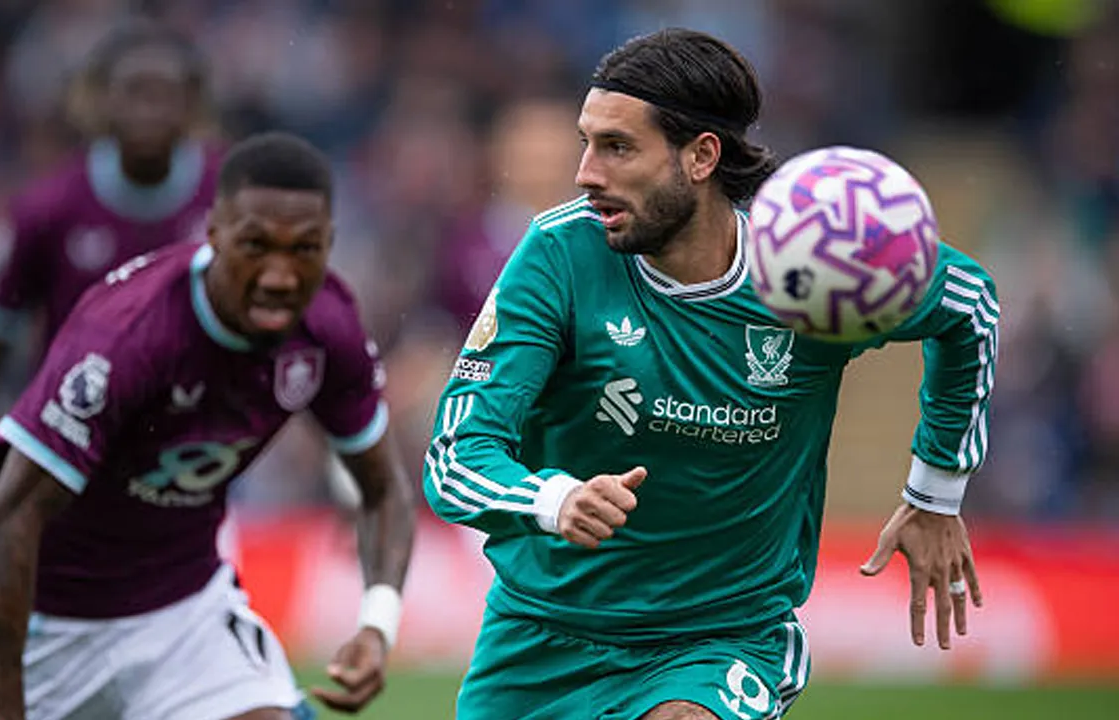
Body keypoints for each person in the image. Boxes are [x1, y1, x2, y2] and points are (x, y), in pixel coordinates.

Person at [423, 29, 997, 720]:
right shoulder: (558, 256)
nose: (585, 172)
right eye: (587, 141)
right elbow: (457, 455)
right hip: (543, 637)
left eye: (618, 147)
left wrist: (936, 491)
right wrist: (555, 499)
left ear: (700, 157)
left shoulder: (815, 265)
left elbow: (968, 305)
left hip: (721, 639)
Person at [0, 132, 416, 720]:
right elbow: (7, 526)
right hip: (52, 629)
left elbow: (383, 492)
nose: (280, 275)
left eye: (304, 249)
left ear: (329, 243)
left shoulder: (329, 327)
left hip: (185, 617)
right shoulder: (127, 337)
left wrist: (376, 627)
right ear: (213, 233)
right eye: (256, 245)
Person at [0, 19, 221, 452]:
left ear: (193, 105)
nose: (150, 109)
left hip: (192, 453)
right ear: (101, 100)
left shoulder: (230, 202)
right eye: (135, 92)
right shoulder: (46, 209)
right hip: (72, 449)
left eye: (165, 94)